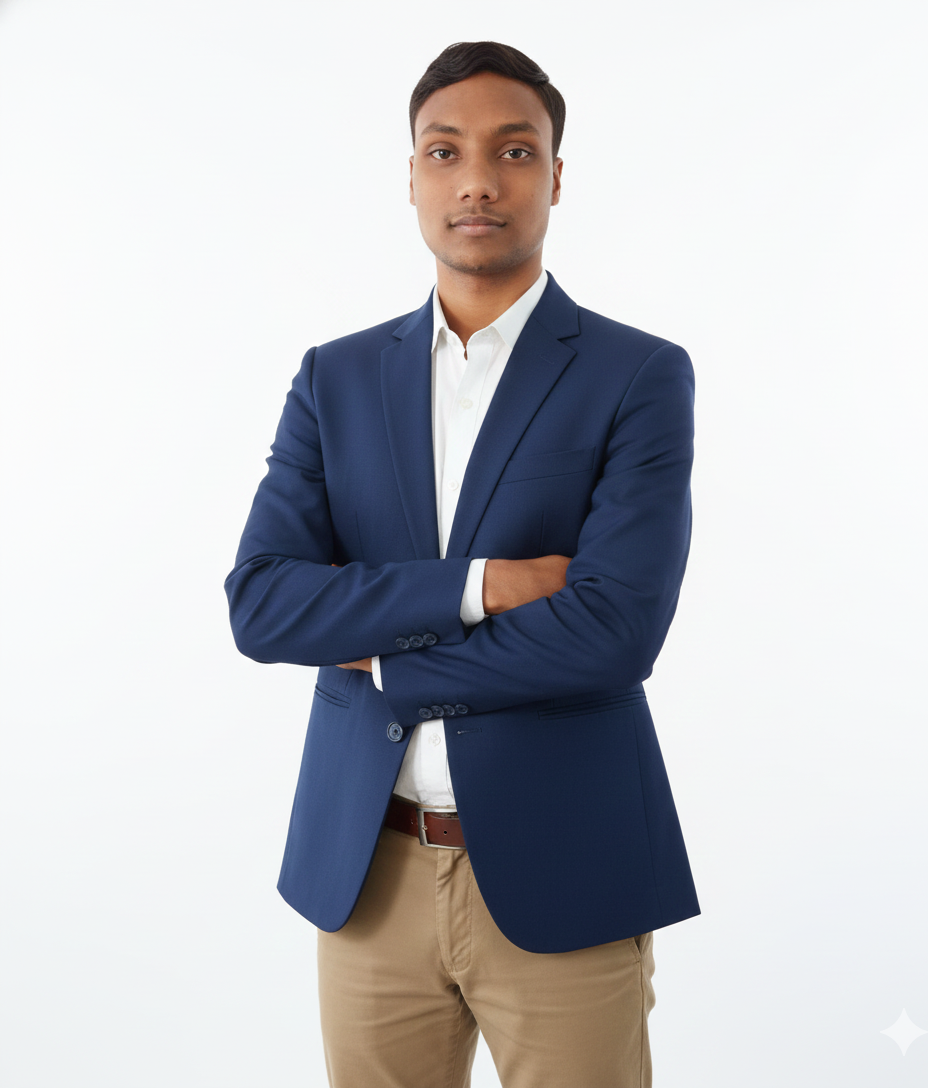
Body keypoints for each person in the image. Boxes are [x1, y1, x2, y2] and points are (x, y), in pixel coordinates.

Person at [225, 40, 700, 1088]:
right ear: (411, 177)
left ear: (556, 177)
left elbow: (615, 631)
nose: (477, 180)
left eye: (513, 151)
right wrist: (481, 585)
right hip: (369, 870)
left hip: (565, 864)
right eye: (444, 152)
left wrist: (388, 659)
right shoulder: (335, 377)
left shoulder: (637, 375)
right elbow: (263, 604)